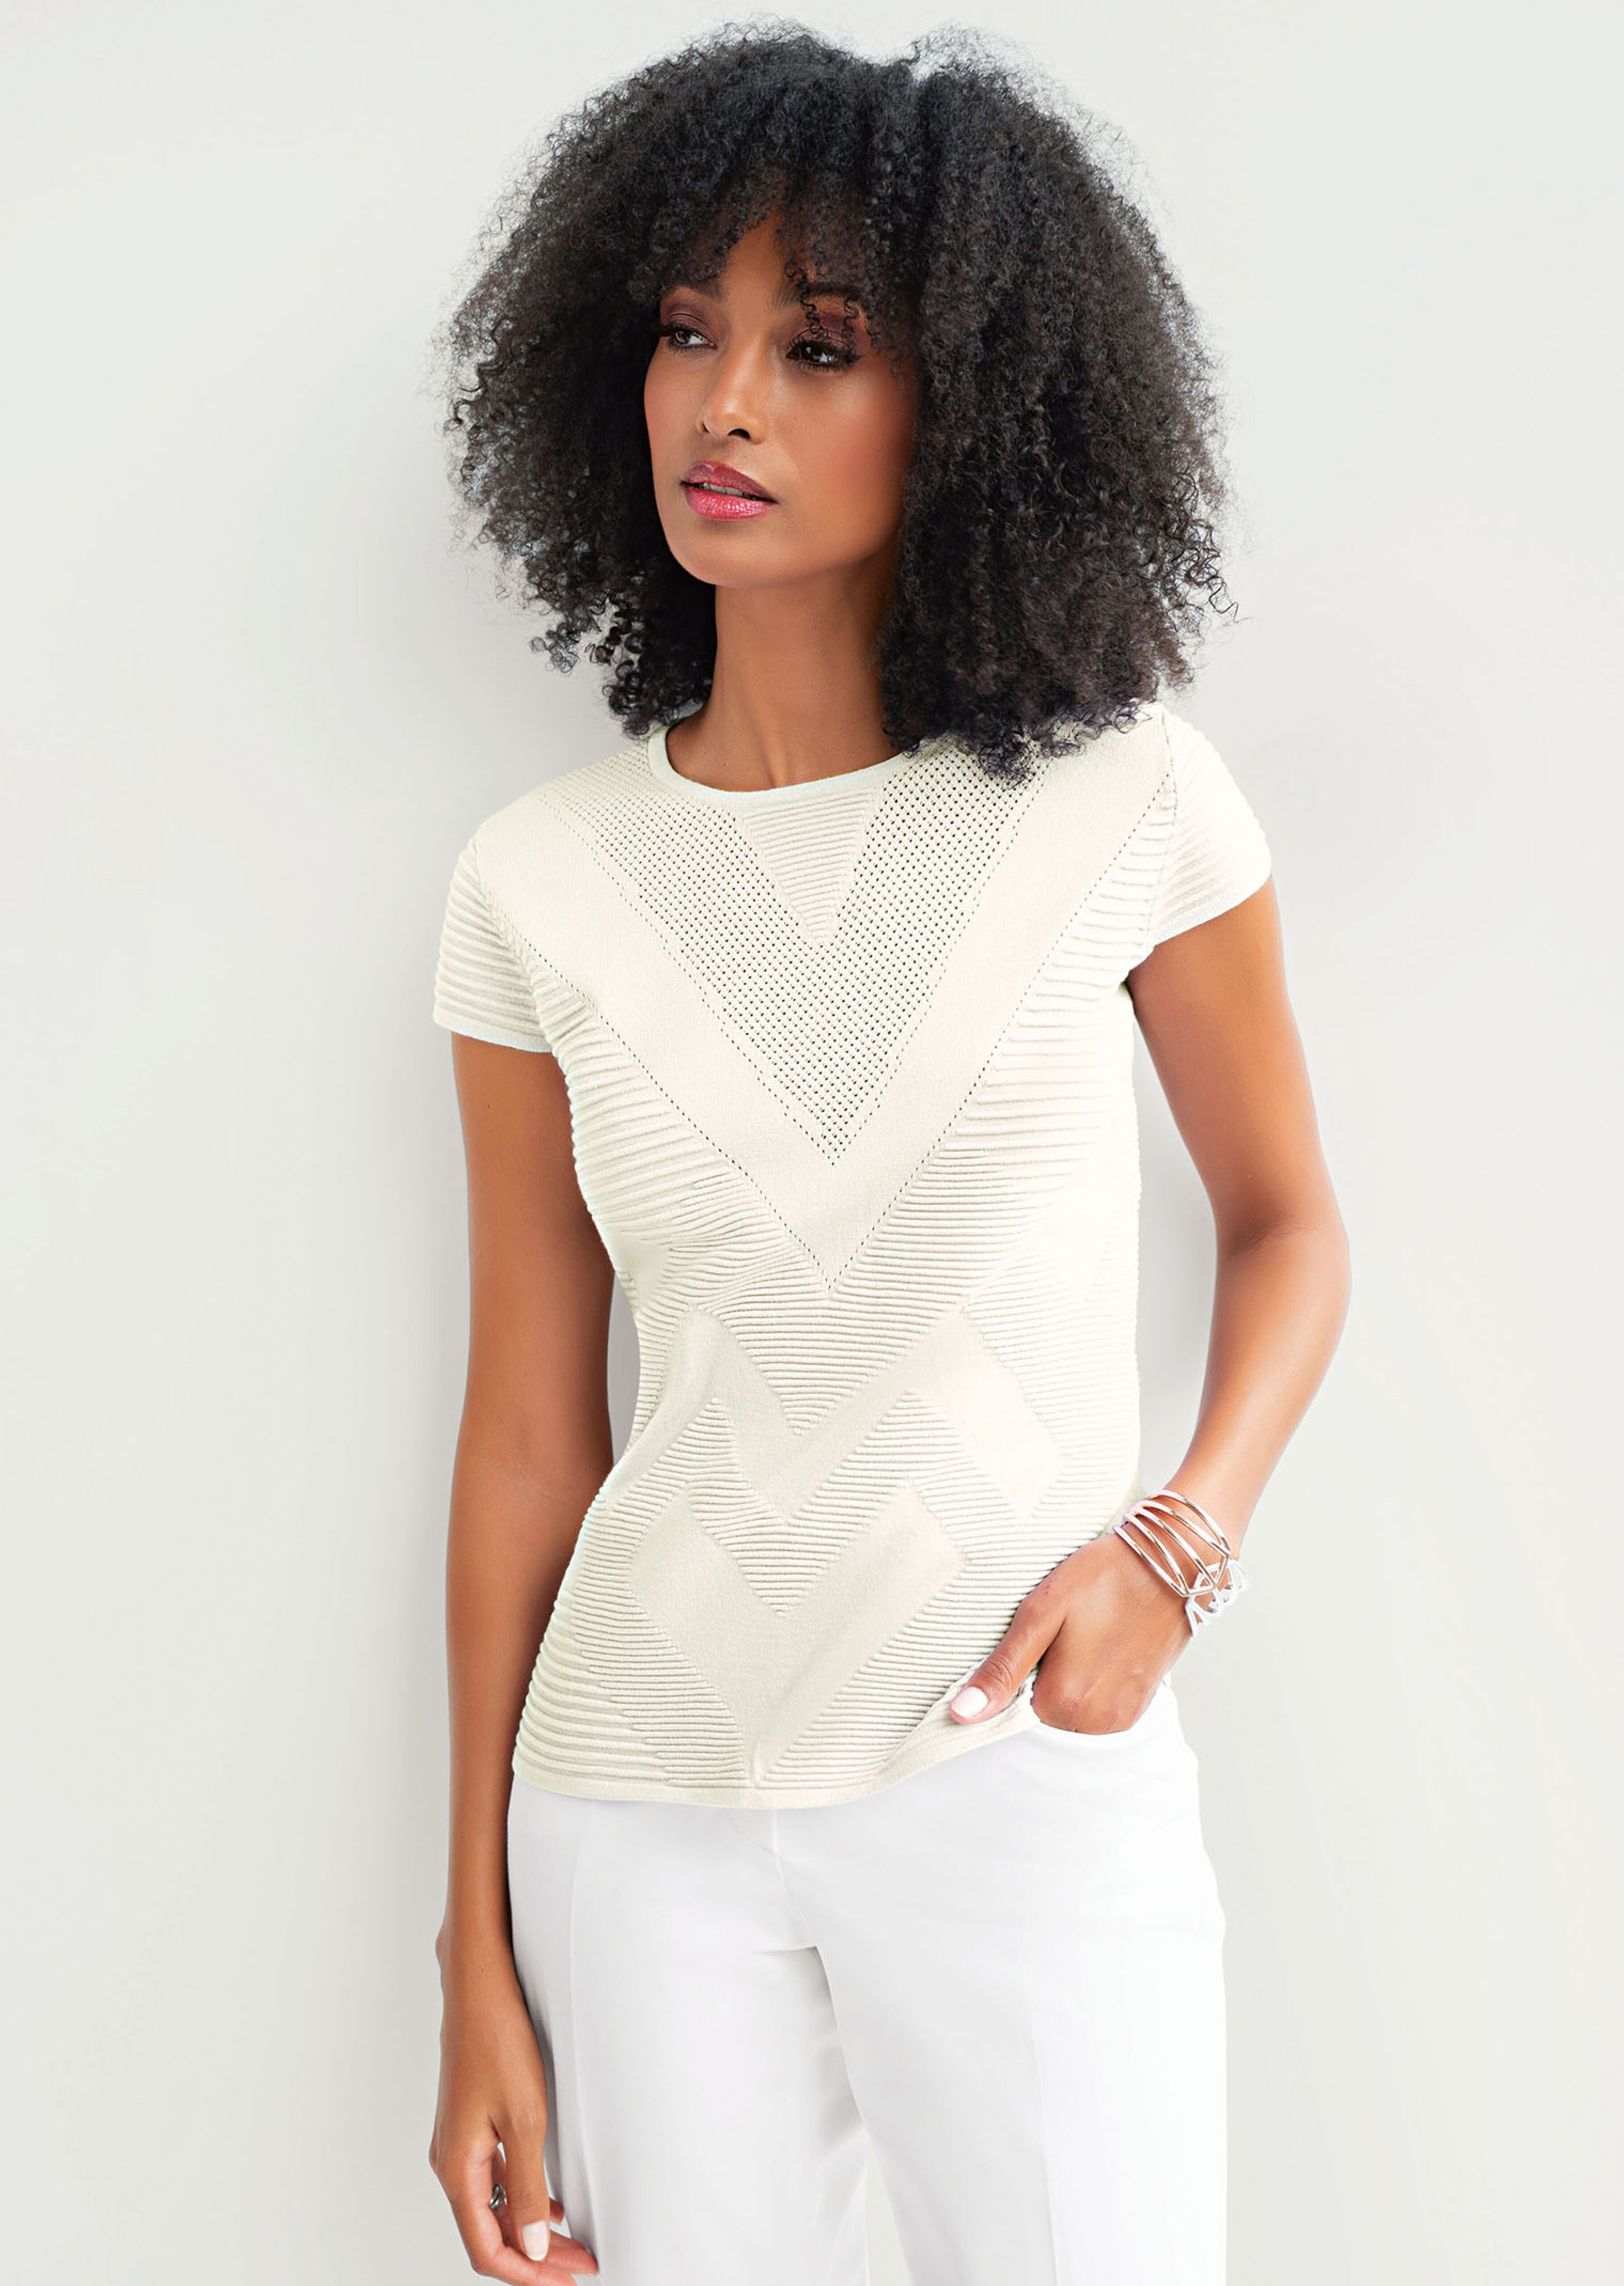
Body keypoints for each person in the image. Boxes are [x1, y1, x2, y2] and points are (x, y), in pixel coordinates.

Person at [425, 26, 1350, 2286]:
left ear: (979, 405)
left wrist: (1180, 1546)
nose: (724, 403)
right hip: (634, 1802)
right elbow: (531, 1426)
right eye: (687, 332)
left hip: (1010, 1754)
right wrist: (474, 1945)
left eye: (817, 346)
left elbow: (1287, 1223)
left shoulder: (1126, 802)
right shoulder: (536, 882)